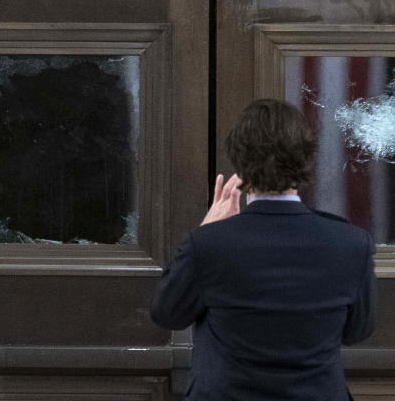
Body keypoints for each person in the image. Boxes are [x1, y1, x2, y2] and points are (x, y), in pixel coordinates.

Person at [150, 98, 377, 401]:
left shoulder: (208, 245)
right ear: (305, 159)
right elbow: (357, 332)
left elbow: (168, 315)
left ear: (241, 164)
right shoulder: (352, 243)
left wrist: (207, 231)